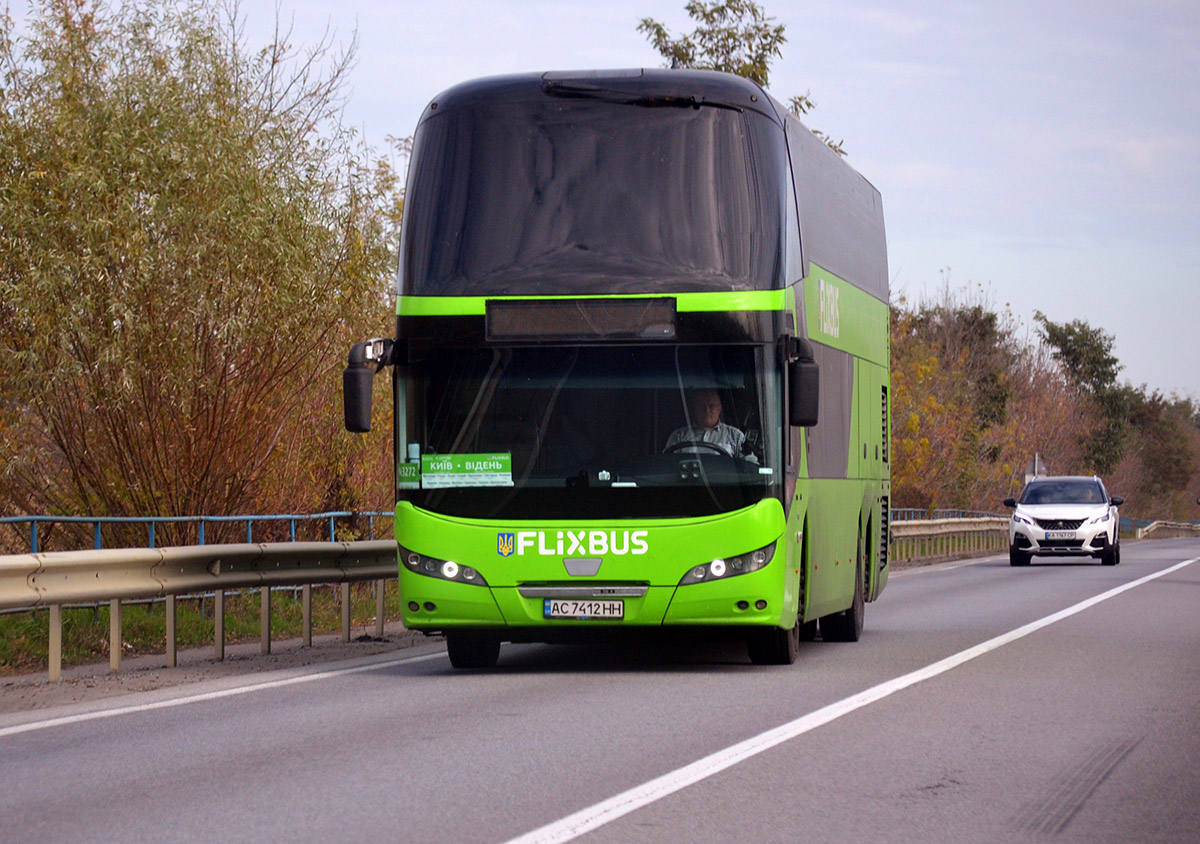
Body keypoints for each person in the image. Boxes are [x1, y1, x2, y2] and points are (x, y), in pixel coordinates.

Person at [664, 389, 756, 462]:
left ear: (719, 408)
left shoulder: (735, 436)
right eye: (701, 406)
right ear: (694, 408)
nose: (707, 410)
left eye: (711, 406)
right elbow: (667, 465)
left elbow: (750, 466)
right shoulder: (678, 437)